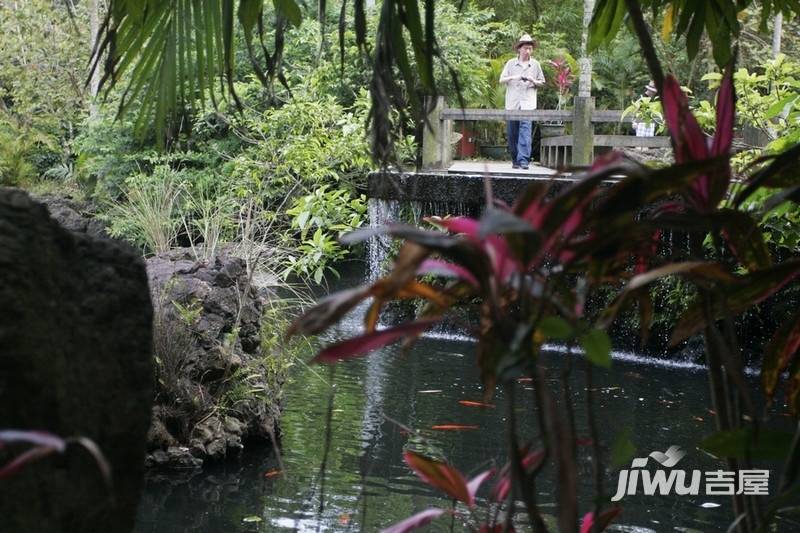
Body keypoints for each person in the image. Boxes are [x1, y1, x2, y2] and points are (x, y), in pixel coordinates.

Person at [499, 33, 546, 170]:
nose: (527, 51)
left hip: (528, 103)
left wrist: (533, 81)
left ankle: (524, 160)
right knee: (512, 132)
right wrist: (515, 77)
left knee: (525, 131)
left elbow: (542, 82)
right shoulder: (510, 63)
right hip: (512, 103)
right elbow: (501, 79)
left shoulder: (535, 64)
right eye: (525, 48)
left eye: (530, 48)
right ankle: (516, 160)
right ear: (519, 49)